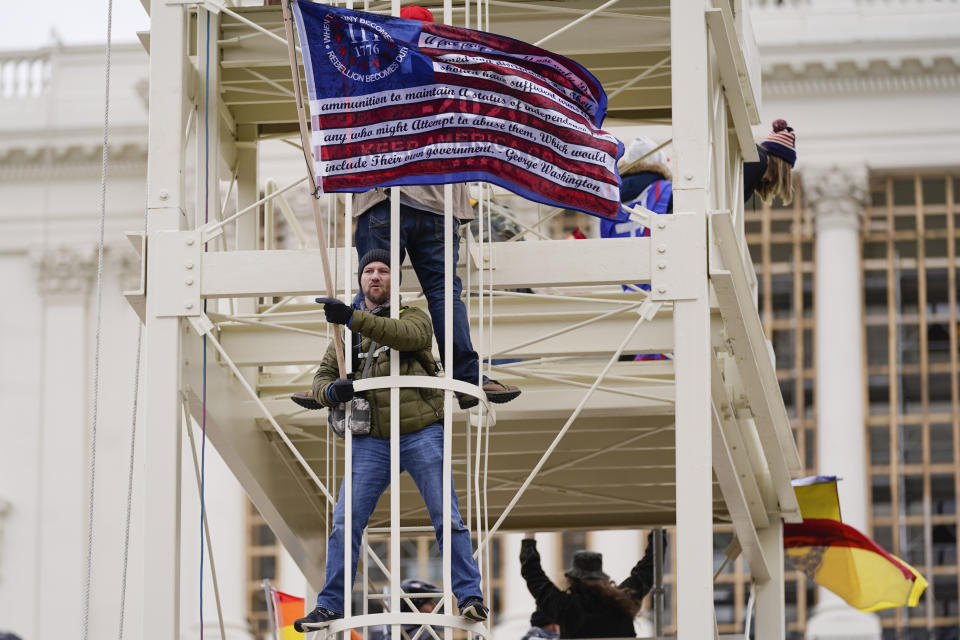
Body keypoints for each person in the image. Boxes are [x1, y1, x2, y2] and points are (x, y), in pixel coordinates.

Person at [293, 250, 488, 631]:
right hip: (373, 440)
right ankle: (331, 605)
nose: (376, 276)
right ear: (361, 279)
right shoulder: (344, 335)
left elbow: (408, 337)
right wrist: (333, 392)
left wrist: (351, 317)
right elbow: (321, 378)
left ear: (393, 282)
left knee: (447, 518)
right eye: (369, 271)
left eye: (384, 271)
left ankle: (470, 597)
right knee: (345, 522)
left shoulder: (412, 316)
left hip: (420, 431)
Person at [349, 4, 520, 411]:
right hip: (440, 204)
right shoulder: (453, 73)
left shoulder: (368, 71)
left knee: (371, 290)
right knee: (445, 295)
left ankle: (350, 373)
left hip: (382, 197)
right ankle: (466, 378)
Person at [519, 533, 662, 638]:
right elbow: (648, 569)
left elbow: (533, 575)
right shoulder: (622, 602)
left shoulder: (565, 607)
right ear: (602, 578)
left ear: (573, 581)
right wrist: (658, 535)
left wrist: (529, 539)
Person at [743, 118, 797, 205]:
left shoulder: (757, 159)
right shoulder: (757, 161)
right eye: (783, 174)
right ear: (780, 167)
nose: (771, 181)